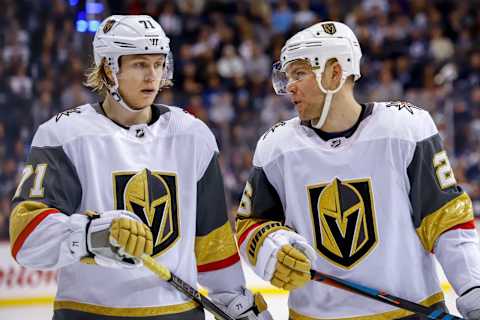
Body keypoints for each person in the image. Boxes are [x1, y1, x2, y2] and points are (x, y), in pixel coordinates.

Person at [10, 15, 271, 320]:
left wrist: (236, 303)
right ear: (108, 68)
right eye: (139, 64)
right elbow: (26, 237)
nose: (152, 76)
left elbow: (212, 241)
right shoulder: (64, 136)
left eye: (158, 64)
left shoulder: (192, 136)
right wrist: (91, 236)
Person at [236, 21, 480, 319]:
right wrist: (270, 247)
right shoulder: (276, 148)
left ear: (335, 72)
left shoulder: (406, 130)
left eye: (299, 73)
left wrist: (473, 289)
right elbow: (250, 224)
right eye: (287, 77)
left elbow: (446, 221)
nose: (290, 86)